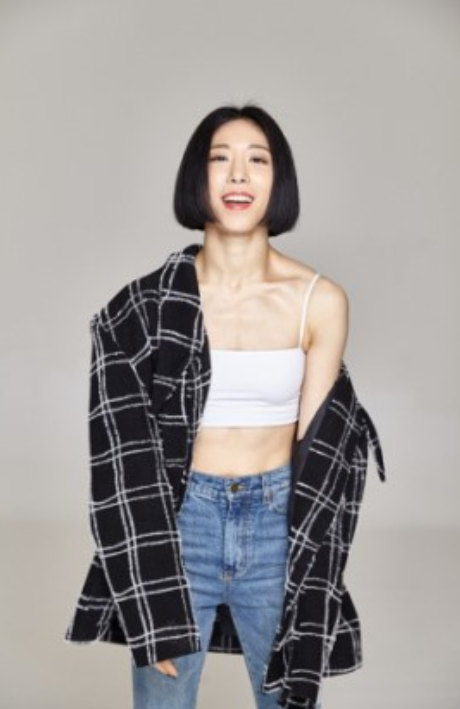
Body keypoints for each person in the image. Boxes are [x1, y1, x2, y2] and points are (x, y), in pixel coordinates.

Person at [64, 104, 386, 709]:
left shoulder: (319, 300)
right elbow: (121, 466)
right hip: (179, 523)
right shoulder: (141, 308)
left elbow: (322, 463)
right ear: (197, 177)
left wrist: (312, 570)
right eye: (221, 159)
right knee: (162, 701)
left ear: (278, 180)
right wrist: (147, 602)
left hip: (276, 522)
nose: (238, 175)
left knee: (289, 699)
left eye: (257, 160)